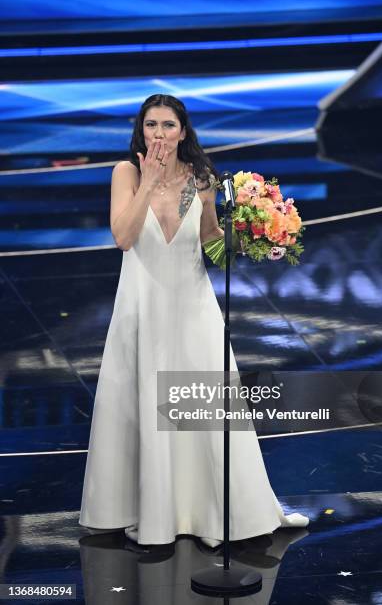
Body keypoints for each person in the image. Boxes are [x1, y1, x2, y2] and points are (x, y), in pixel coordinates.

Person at [78, 94, 309, 548]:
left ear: (183, 131)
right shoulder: (125, 173)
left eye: (167, 125)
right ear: (140, 131)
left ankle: (219, 513)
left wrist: (253, 234)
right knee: (144, 406)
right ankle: (154, 512)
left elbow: (211, 245)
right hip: (141, 310)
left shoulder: (200, 178)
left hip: (193, 308)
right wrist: (146, 183)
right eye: (151, 126)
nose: (159, 135)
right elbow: (123, 237)